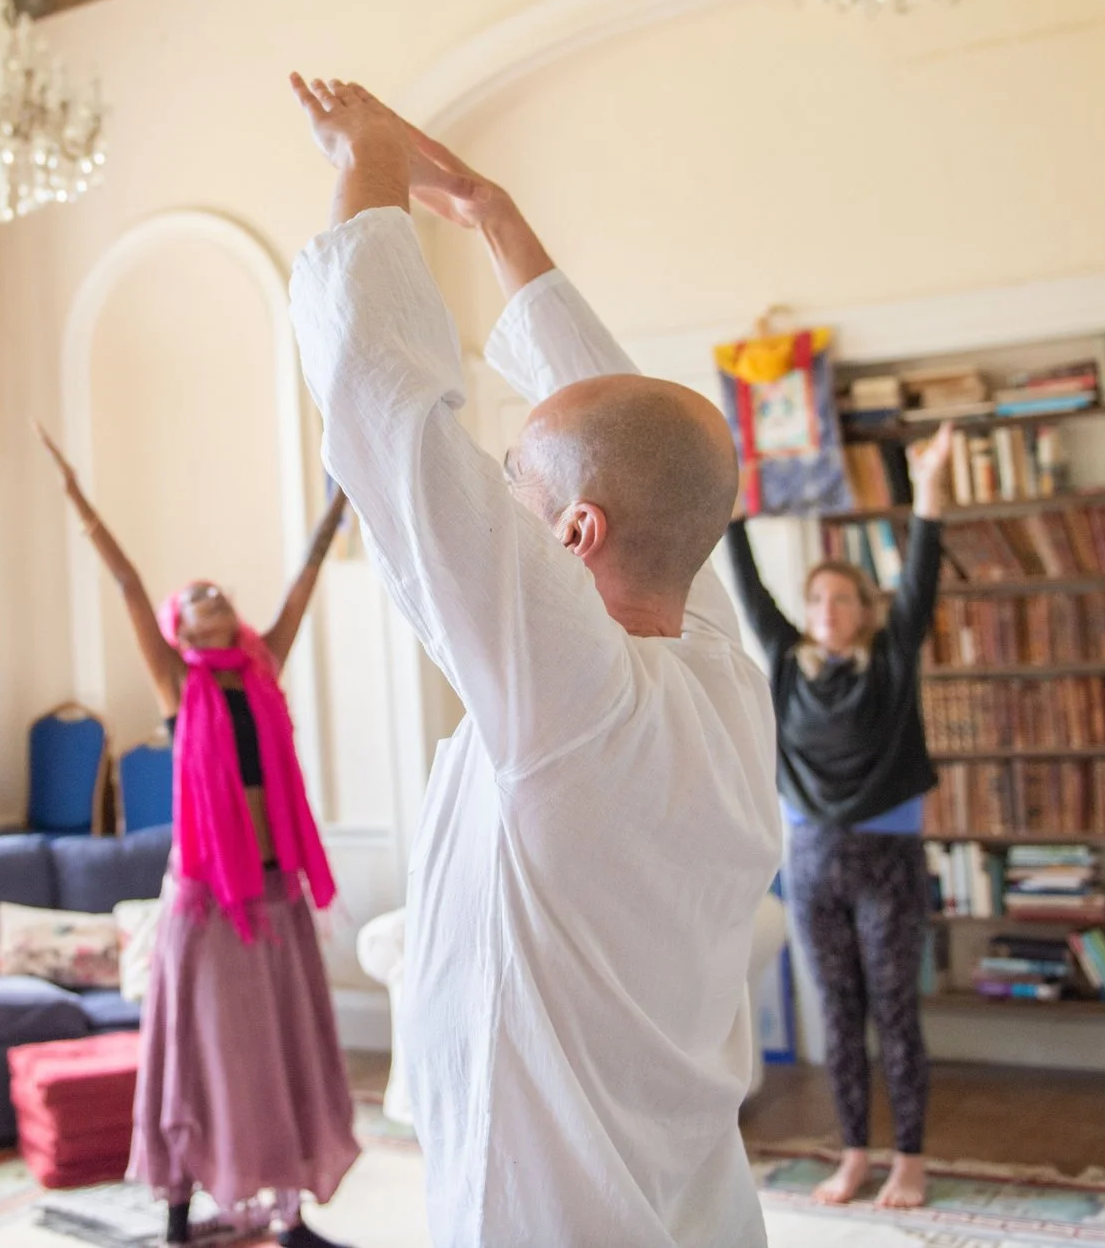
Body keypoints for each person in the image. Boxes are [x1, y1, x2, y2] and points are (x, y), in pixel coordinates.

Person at [284, 75, 782, 1248]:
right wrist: (494, 221)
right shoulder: (717, 666)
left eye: (515, 484)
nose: (499, 498)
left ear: (573, 538)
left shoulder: (577, 698)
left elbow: (384, 411)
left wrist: (365, 159)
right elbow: (637, 444)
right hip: (689, 1198)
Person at [35, 423, 357, 1248]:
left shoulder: (263, 666)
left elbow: (306, 576)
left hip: (276, 892)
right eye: (199, 594)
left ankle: (290, 1218)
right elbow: (129, 582)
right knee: (198, 1055)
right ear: (180, 628)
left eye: (220, 590)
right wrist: (78, 500)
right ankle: (178, 1218)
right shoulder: (177, 682)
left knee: (284, 1051)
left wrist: (340, 498)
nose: (214, 593)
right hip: (211, 902)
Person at [724, 420, 958, 1209]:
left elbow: (920, 579)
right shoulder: (788, 665)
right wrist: (732, 508)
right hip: (813, 864)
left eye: (843, 597)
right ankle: (855, 1154)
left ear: (864, 608)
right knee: (838, 1016)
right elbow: (749, 587)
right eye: (818, 597)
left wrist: (929, 489)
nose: (828, 607)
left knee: (896, 1014)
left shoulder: (889, 661)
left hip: (887, 865)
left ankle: (910, 1160)